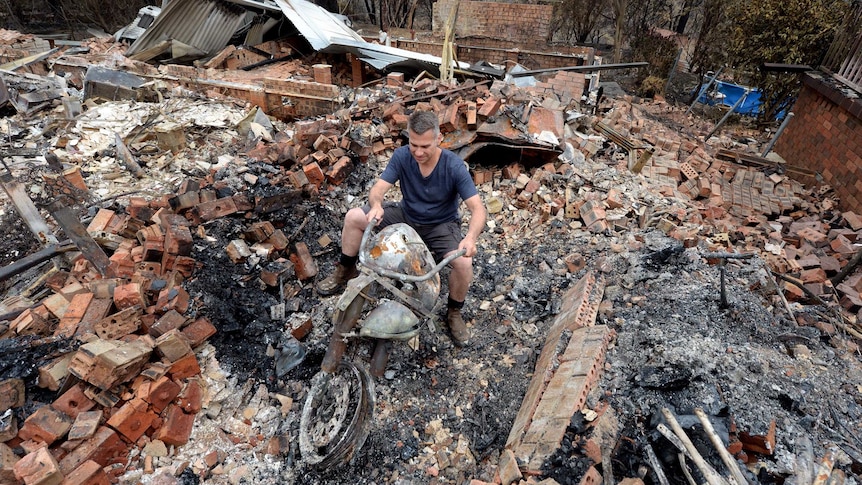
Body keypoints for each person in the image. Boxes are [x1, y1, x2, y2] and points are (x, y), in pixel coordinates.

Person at [317, 110, 487, 347]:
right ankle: (344, 271)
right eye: (413, 144)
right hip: (406, 216)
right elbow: (378, 190)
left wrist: (470, 238)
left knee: (463, 263)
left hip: (440, 226)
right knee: (355, 217)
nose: (418, 152)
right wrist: (376, 205)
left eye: (425, 146)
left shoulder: (454, 166)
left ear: (439, 139)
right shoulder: (402, 156)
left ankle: (454, 313)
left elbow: (478, 209)